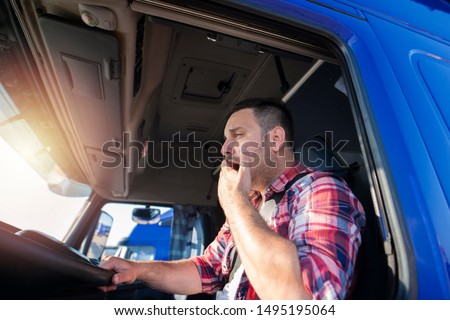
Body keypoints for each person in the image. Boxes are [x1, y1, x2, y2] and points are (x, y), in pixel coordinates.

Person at [99, 99, 366, 300]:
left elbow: (306, 300)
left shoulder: (321, 190)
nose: (225, 148)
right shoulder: (252, 204)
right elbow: (208, 269)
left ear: (275, 139)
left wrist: (234, 201)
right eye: (226, 139)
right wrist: (136, 269)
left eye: (237, 135)